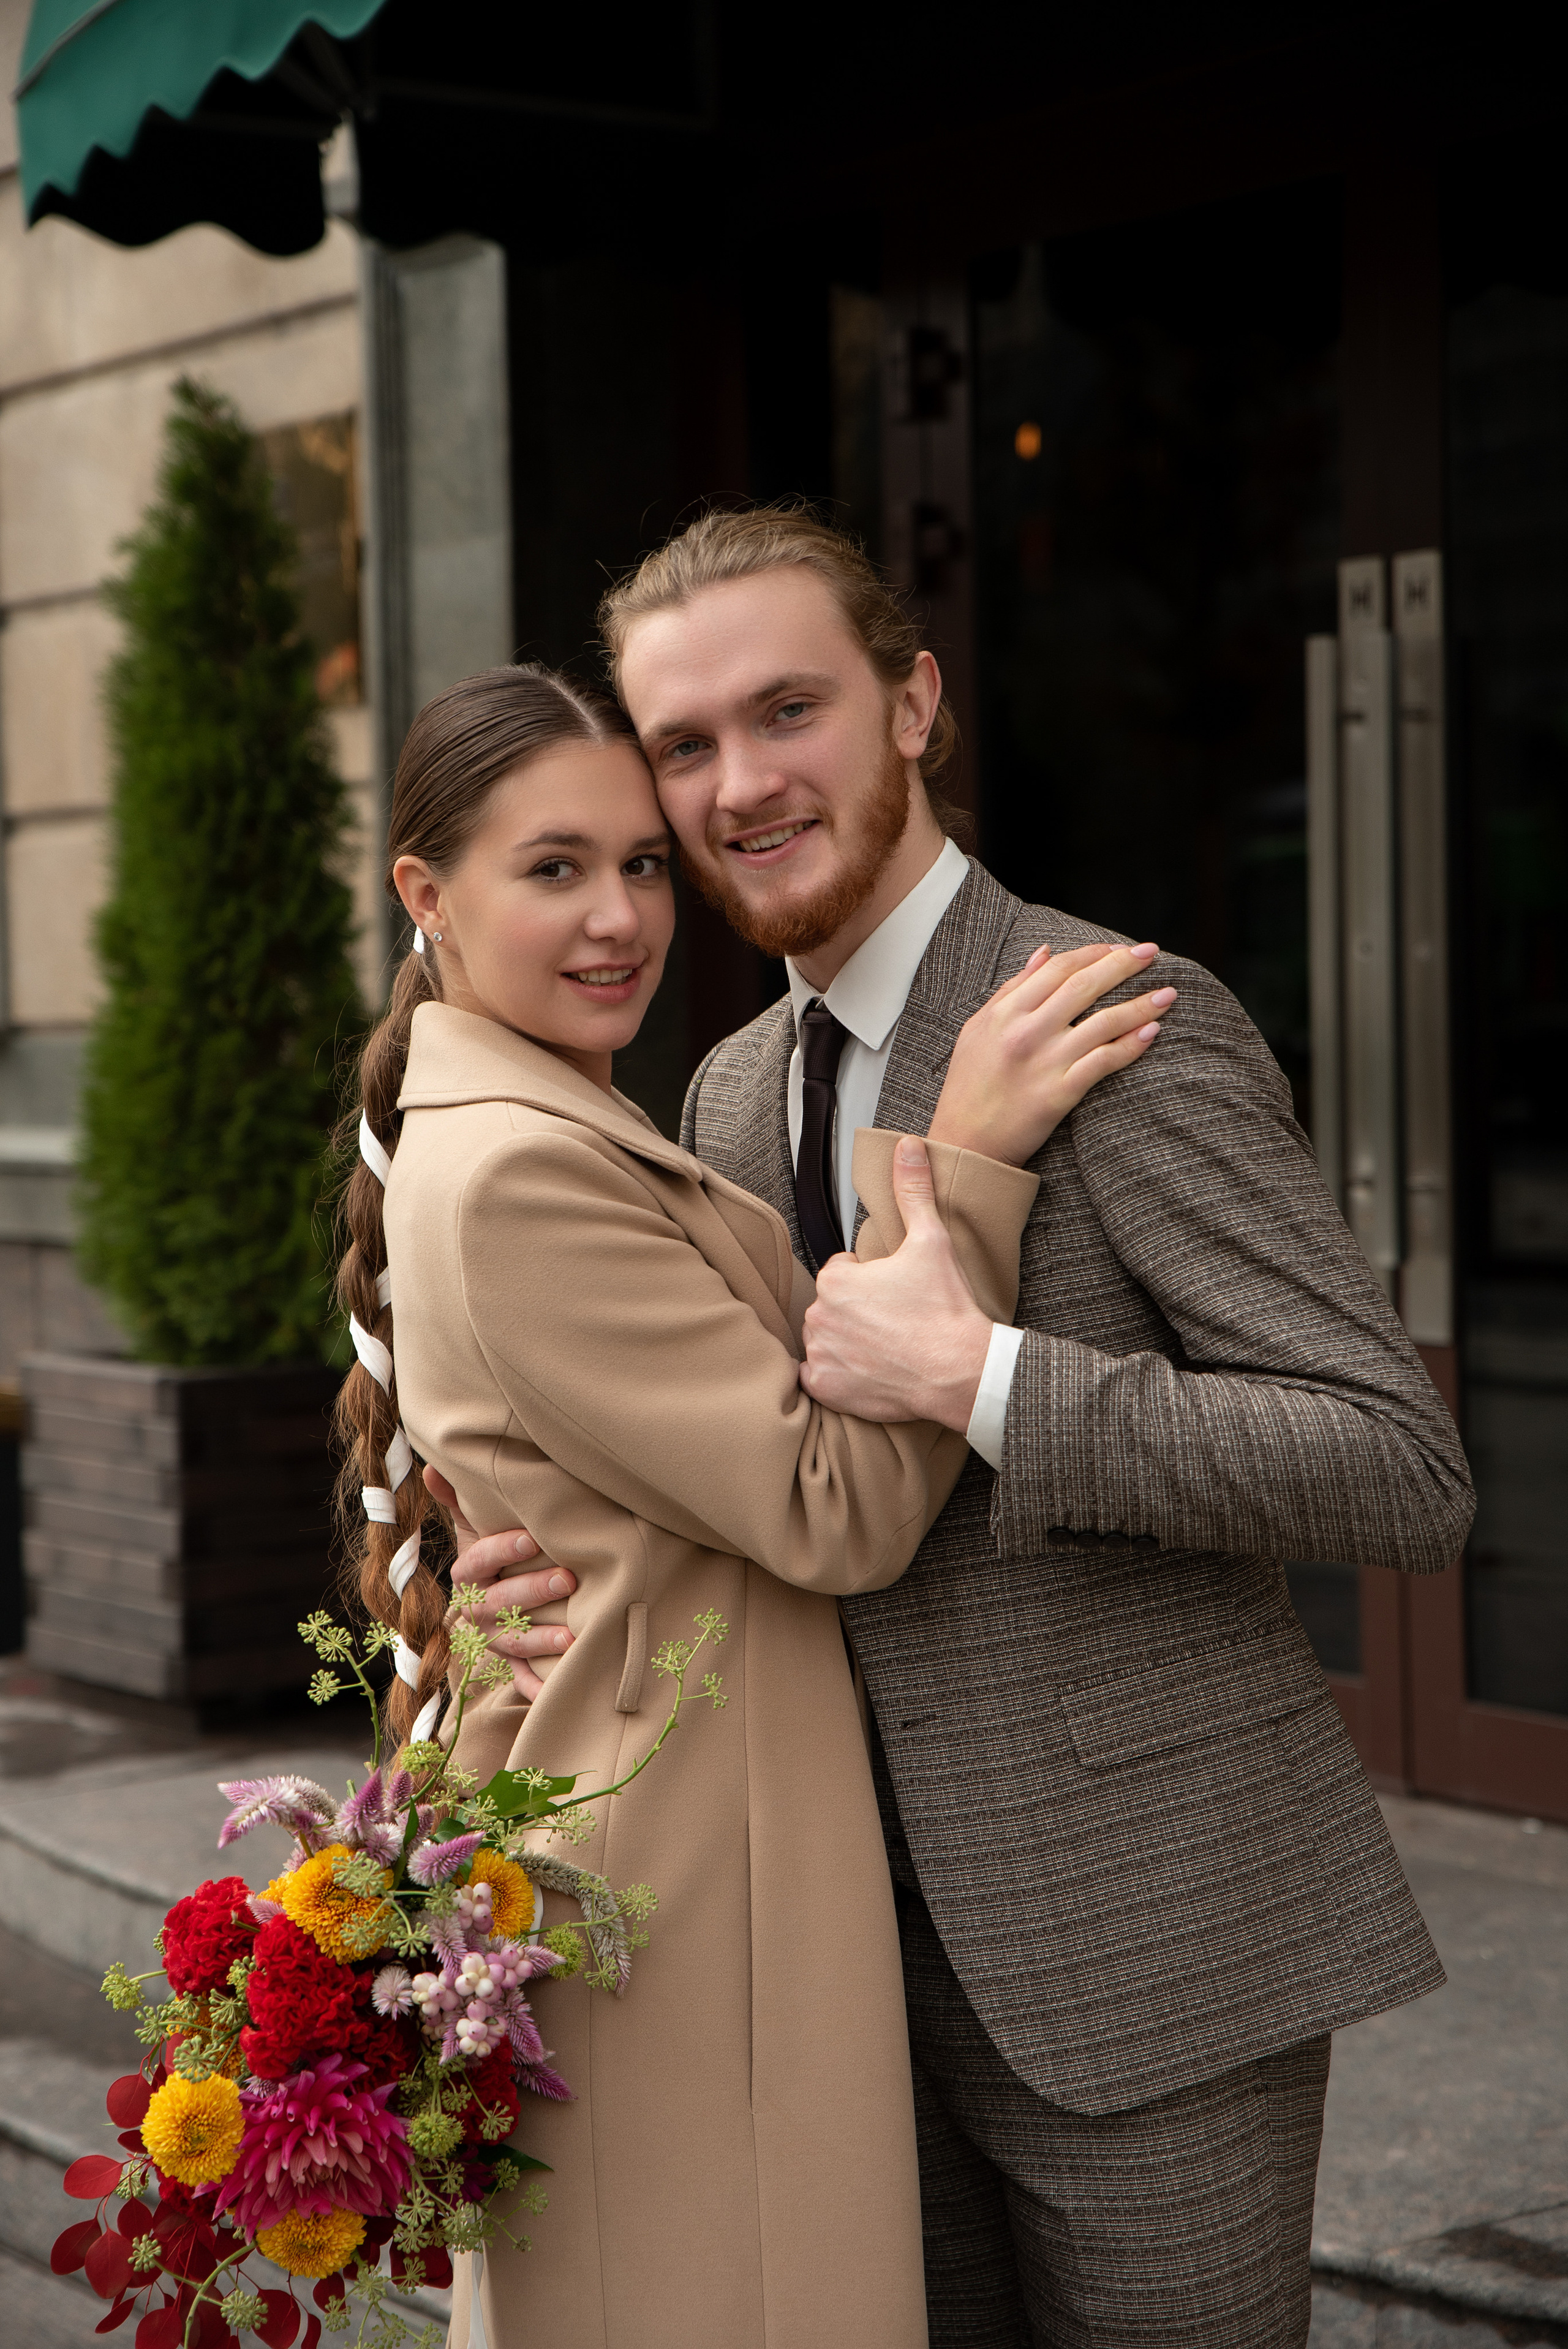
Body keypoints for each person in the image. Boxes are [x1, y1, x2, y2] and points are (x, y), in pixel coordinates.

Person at [451, 509, 1477, 2349]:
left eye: (790, 711)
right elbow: (770, 1478)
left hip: (1153, 1965)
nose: (741, 784)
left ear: (914, 704)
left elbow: (1396, 1463)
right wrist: (521, 1585)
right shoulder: (728, 1085)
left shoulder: (1116, 1018)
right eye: (685, 744)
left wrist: (987, 1381)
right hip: (847, 1983)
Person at [333, 661, 1170, 2348]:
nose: (621, 916)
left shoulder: (539, 1110)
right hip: (680, 1867)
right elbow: (833, 1505)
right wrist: (963, 1157)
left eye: (642, 863)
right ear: (426, 891)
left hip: (669, 1823)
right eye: (554, 868)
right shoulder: (520, 1165)